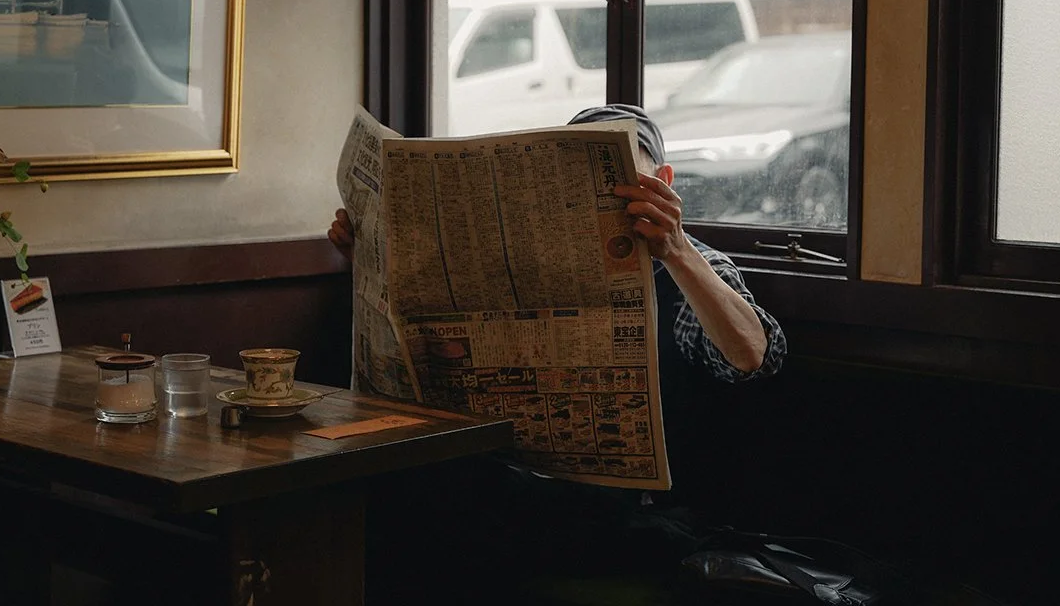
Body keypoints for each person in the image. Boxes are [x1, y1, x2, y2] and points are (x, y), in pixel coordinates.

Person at [327, 104, 786, 602]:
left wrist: (675, 250)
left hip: (646, 513)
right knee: (391, 491)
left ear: (665, 182)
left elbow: (752, 355)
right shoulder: (521, 264)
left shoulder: (691, 263)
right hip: (527, 487)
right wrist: (371, 254)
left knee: (454, 524)